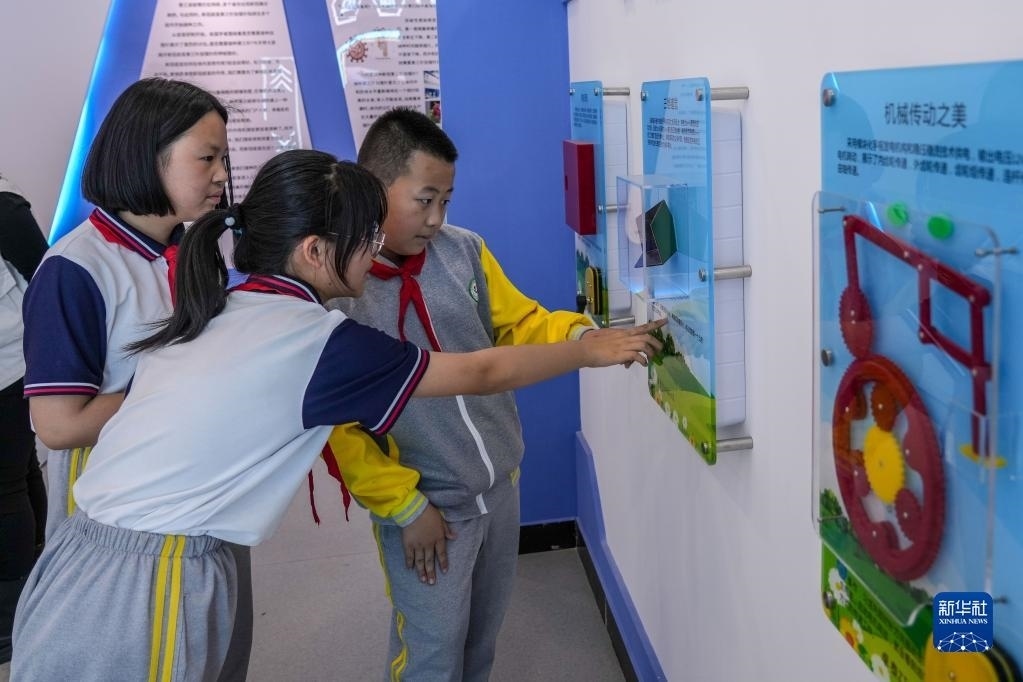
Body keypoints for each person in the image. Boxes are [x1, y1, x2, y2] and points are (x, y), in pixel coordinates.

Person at [9, 149, 662, 681]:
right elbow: (480, 372)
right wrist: (589, 350)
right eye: (365, 237)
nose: (374, 250)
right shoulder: (312, 341)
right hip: (144, 578)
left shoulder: (230, 305)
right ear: (316, 252)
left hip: (95, 555)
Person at [324, 107, 621, 680]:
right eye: (424, 200)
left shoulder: (464, 250)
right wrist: (406, 507)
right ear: (373, 187)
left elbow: (521, 323)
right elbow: (340, 431)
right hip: (427, 509)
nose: (437, 219)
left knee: (480, 639)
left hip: (499, 488)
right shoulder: (341, 291)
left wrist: (580, 335)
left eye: (447, 201)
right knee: (431, 652)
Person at [18, 77, 253, 679]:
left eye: (224, 158)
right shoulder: (77, 269)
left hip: (204, 502)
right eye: (207, 158)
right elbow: (57, 426)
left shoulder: (195, 250)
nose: (223, 175)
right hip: (122, 530)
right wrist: (183, 387)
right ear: (148, 156)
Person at [0, 173, 48, 665]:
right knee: (20, 471)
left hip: (7, 368)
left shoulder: (4, 209)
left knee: (5, 486)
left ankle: (11, 614)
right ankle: (37, 580)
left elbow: (45, 275)